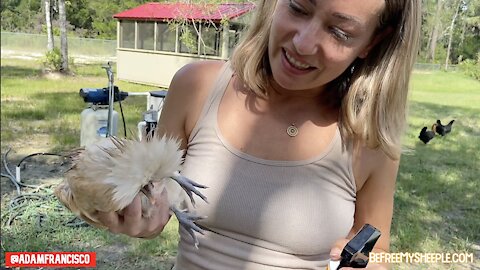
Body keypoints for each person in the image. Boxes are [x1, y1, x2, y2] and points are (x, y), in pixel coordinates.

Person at [96, 0, 421, 269]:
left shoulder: (370, 139)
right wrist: (138, 214)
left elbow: (374, 248)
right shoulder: (195, 87)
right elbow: (155, 202)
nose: (303, 43)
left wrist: (364, 263)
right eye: (298, 8)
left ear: (373, 42)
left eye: (339, 31)